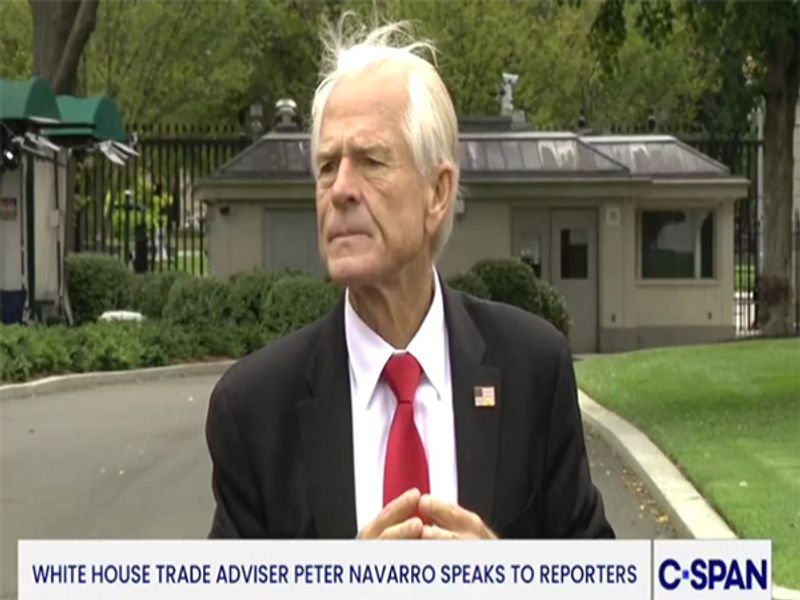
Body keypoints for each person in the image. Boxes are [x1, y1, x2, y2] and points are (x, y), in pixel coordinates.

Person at [205, 18, 613, 541]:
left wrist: (508, 576)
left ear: (438, 193)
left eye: (370, 161)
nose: (340, 189)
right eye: (327, 166)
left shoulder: (532, 371)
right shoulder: (254, 409)